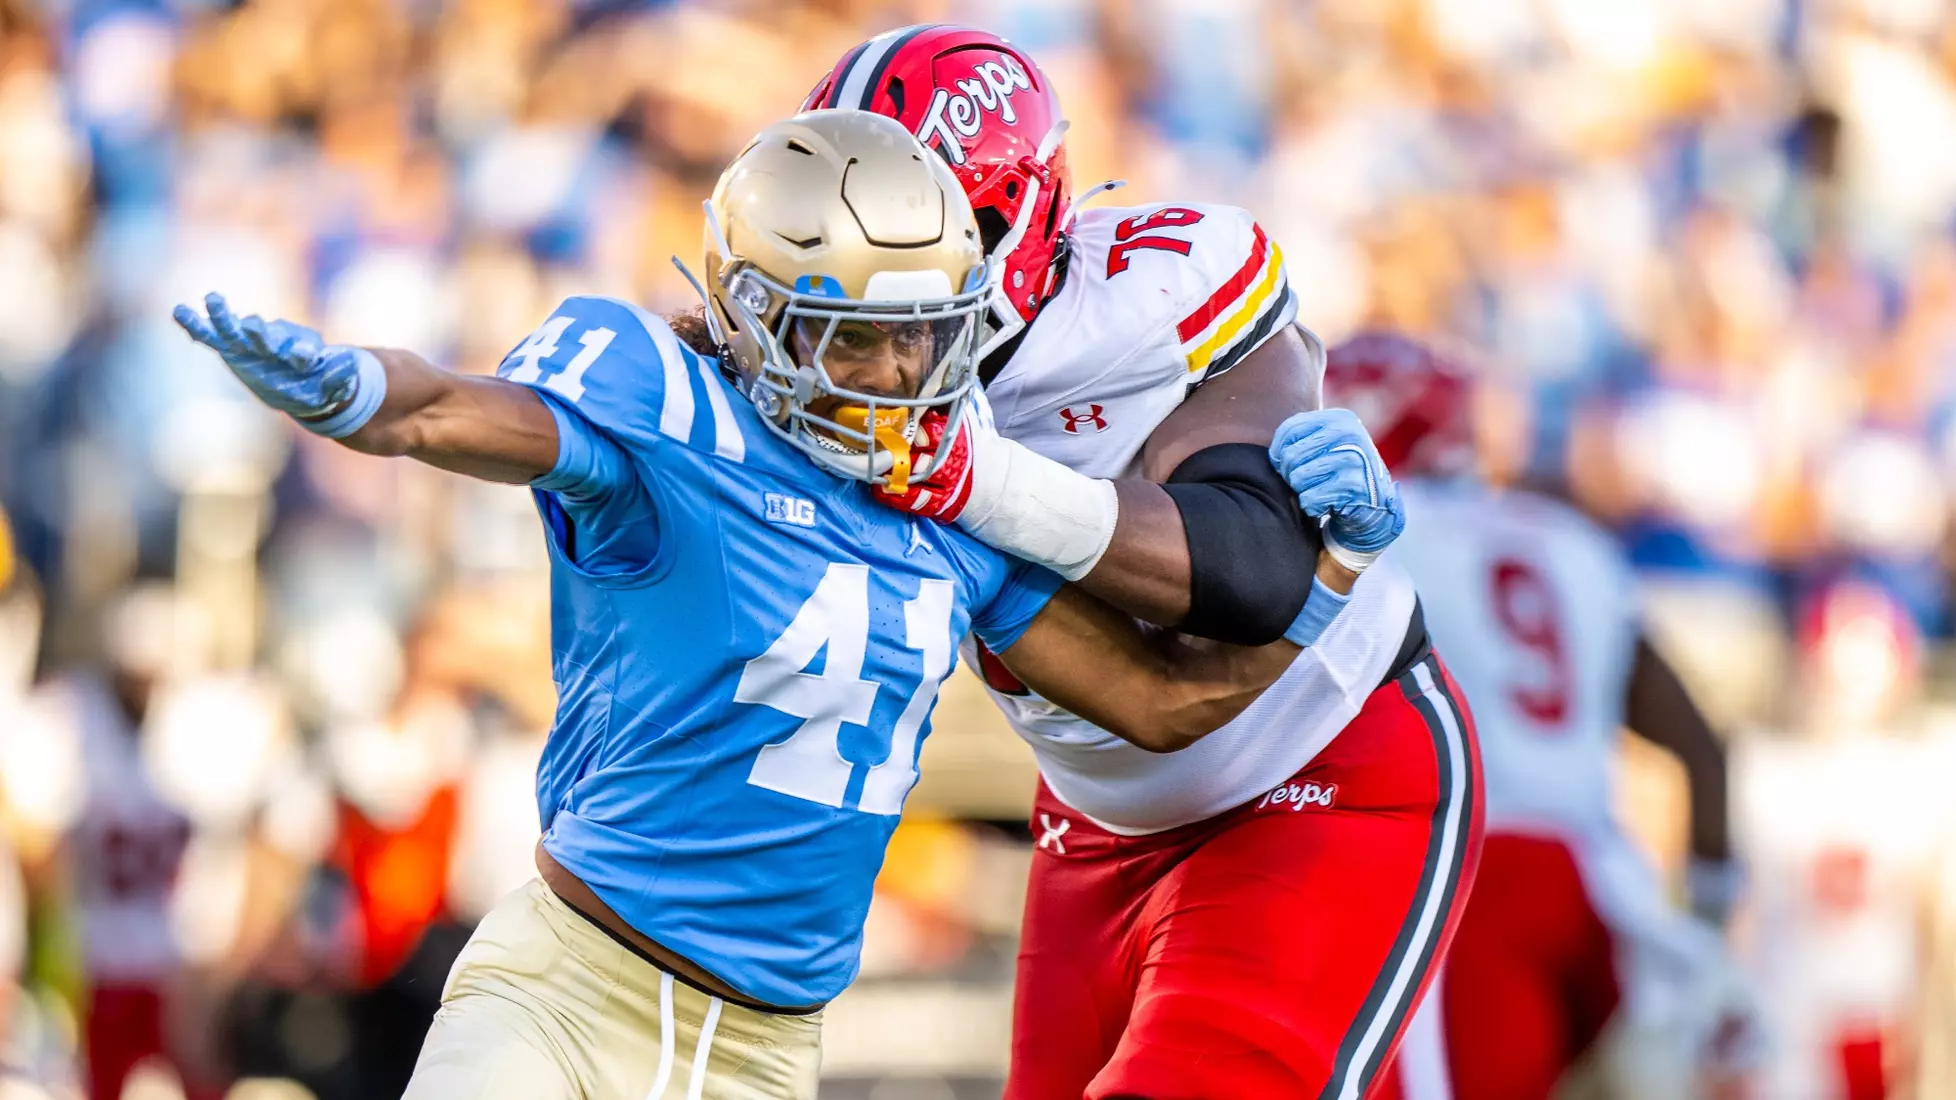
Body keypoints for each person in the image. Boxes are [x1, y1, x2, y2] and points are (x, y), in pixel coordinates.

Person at [174, 109, 1392, 1100]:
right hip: (562, 994)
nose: (890, 377)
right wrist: (358, 393)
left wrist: (1332, 577)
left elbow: (1167, 702)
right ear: (758, 315)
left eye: (920, 339)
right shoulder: (672, 412)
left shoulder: (954, 502)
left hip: (766, 1053)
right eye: (849, 337)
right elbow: (464, 409)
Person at [798, 28, 1482, 1098]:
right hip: (1093, 815)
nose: (867, 290)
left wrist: (976, 480)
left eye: (907, 239)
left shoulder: (1153, 295)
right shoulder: (826, 357)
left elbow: (1251, 572)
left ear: (1003, 222)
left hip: (1314, 772)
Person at [1291, 333, 1762, 1100]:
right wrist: (1710, 927)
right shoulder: (1568, 538)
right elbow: (1700, 746)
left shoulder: (1367, 547)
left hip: (1466, 889)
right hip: (1602, 894)